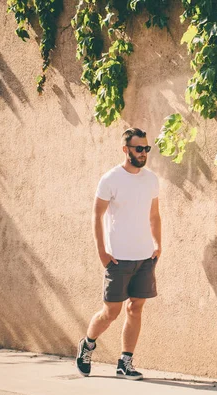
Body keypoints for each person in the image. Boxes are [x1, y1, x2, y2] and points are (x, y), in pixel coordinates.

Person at [76, 127, 161, 380]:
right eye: (138, 148)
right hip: (118, 258)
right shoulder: (110, 179)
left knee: (136, 309)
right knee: (110, 312)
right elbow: (97, 215)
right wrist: (102, 252)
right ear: (126, 149)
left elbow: (154, 215)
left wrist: (158, 245)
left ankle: (125, 362)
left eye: (146, 148)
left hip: (145, 257)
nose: (143, 153)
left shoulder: (151, 179)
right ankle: (87, 344)